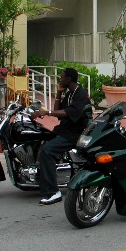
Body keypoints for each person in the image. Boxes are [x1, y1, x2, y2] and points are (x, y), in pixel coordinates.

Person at [32, 67, 91, 206]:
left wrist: (47, 113)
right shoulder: (70, 93)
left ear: (69, 79)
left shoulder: (80, 94)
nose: (60, 79)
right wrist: (58, 93)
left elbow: (67, 112)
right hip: (64, 129)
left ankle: (53, 192)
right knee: (39, 140)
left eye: (62, 77)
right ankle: (40, 179)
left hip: (74, 133)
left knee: (48, 151)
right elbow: (58, 108)